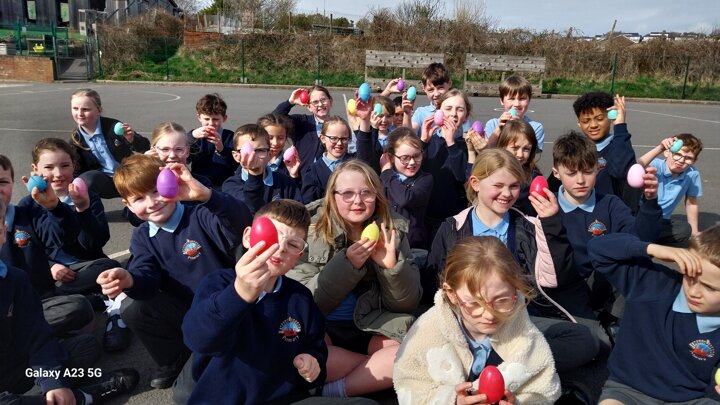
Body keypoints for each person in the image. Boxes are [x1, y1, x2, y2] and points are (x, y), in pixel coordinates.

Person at [426, 148, 599, 396]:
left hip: (519, 320)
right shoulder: (452, 229)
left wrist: (551, 224)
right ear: (475, 183)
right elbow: (436, 282)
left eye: (514, 186)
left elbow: (556, 278)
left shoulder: (529, 226)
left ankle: (490, 374)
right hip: (470, 322)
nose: (507, 194)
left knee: (586, 340)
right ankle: (509, 372)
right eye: (498, 185)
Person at [95, 155, 251, 389]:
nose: (152, 203)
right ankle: (176, 356)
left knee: (199, 390)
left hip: (227, 305)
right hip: (187, 312)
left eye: (156, 191)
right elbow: (146, 275)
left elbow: (241, 222)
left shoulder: (199, 215)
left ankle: (224, 350)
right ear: (128, 205)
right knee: (133, 308)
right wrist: (129, 279)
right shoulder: (142, 236)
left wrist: (208, 196)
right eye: (139, 198)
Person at [287, 160, 422, 398]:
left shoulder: (391, 230)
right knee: (310, 354)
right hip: (324, 325)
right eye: (347, 193)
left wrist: (391, 268)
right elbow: (307, 301)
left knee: (408, 353)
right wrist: (347, 265)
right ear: (333, 196)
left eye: (366, 193)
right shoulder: (309, 228)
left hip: (372, 324)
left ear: (377, 196)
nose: (358, 201)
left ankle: (334, 390)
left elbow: (406, 303)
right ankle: (373, 374)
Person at [179, 200, 327, 404]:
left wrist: (313, 361)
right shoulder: (217, 283)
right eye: (272, 237)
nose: (280, 248)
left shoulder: (300, 298)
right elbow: (198, 339)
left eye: (293, 244)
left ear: (299, 256)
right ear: (248, 237)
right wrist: (239, 293)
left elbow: (315, 347)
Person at [0, 197, 139, 405]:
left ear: (4, 231)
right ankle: (83, 397)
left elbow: (35, 334)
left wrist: (52, 381)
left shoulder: (15, 279)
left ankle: (43, 395)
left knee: (85, 347)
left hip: (17, 366)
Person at [394, 236, 561, 404]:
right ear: (451, 294)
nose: (489, 314)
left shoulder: (521, 330)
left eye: (502, 300)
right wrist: (453, 401)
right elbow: (409, 384)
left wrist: (517, 402)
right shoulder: (428, 330)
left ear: (514, 291)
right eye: (475, 303)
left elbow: (544, 387)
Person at [550, 131, 662, 346]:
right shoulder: (549, 210)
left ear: (597, 168)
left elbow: (642, 239)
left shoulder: (610, 204)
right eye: (571, 173)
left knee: (640, 262)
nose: (580, 180)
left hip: (606, 283)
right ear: (556, 173)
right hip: (570, 290)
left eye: (587, 171)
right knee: (597, 344)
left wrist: (650, 201)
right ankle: (597, 322)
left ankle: (614, 317)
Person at [19, 138, 130, 353]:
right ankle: (92, 299)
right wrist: (51, 266)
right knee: (32, 281)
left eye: (64, 165)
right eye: (49, 167)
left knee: (109, 268)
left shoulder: (87, 196)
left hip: (86, 267)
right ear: (35, 169)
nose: (58, 173)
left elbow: (94, 243)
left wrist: (83, 209)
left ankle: (111, 314)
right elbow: (31, 249)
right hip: (55, 275)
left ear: (74, 165)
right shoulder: (28, 205)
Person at [588, 226, 720, 404]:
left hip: (688, 400)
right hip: (627, 391)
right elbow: (598, 248)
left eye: (710, 287)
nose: (694, 291)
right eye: (689, 277)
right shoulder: (653, 284)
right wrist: (651, 248)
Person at [0, 154, 98, 364]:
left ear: (12, 184)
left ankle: (29, 348)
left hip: (38, 304)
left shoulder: (26, 215)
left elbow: (61, 238)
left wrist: (55, 208)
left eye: (2, 182)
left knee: (78, 308)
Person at [549, 92, 639, 213]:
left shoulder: (620, 145)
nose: (593, 125)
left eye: (599, 119)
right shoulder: (574, 150)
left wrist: (620, 126)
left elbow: (620, 171)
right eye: (586, 121)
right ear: (579, 122)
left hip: (612, 216)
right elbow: (552, 186)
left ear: (610, 117)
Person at [356, 123, 433, 252]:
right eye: (405, 158)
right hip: (381, 244)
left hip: (412, 246)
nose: (412, 162)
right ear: (391, 157)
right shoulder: (382, 177)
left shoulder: (425, 179)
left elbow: (405, 199)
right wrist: (365, 122)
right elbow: (364, 157)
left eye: (417, 156)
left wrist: (387, 173)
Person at [68, 88, 150, 199]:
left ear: (99, 110)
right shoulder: (75, 141)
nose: (79, 114)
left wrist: (131, 139)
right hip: (106, 182)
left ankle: (139, 200)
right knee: (85, 180)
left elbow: (145, 147)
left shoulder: (114, 127)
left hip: (129, 177)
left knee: (151, 168)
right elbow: (77, 172)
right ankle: (93, 209)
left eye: (85, 109)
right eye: (75, 108)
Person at [419, 89, 471, 240]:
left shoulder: (467, 146)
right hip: (425, 217)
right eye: (448, 109)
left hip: (453, 219)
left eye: (460, 110)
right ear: (438, 112)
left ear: (466, 116)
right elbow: (412, 170)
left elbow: (461, 177)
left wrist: (451, 143)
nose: (453, 114)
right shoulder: (429, 141)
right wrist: (423, 141)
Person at [636, 133, 703, 246]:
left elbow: (691, 202)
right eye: (677, 154)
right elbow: (636, 166)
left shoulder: (692, 174)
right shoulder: (655, 165)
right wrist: (660, 148)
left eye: (688, 158)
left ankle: (643, 238)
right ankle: (644, 238)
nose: (681, 160)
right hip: (640, 215)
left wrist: (695, 231)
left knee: (685, 229)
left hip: (661, 221)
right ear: (667, 152)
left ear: (694, 160)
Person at [222, 124, 301, 215]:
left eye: (260, 150)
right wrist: (254, 173)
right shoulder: (231, 185)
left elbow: (299, 212)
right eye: (247, 151)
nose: (254, 156)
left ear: (270, 154)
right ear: (236, 156)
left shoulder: (285, 182)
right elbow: (250, 211)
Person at [273, 86, 334, 176]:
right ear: (309, 107)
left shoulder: (338, 126)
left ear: (330, 101)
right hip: (301, 178)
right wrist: (290, 102)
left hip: (327, 179)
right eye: (315, 102)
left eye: (323, 100)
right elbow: (275, 118)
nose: (320, 104)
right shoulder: (301, 122)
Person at [483, 75, 545, 154]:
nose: (516, 104)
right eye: (511, 98)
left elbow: (532, 155)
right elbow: (488, 152)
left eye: (522, 98)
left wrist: (519, 125)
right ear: (502, 100)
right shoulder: (492, 124)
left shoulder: (536, 127)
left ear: (529, 100)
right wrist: (499, 129)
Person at [301, 117, 356, 204]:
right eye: (333, 138)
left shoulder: (356, 163)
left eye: (344, 139)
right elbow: (309, 203)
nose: (339, 143)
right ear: (323, 138)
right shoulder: (313, 172)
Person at [187, 93, 237, 187]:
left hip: (223, 184)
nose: (211, 123)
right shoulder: (196, 137)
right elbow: (185, 158)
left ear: (224, 118)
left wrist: (222, 149)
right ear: (199, 118)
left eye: (215, 119)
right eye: (206, 119)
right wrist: (192, 136)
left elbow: (236, 165)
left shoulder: (230, 137)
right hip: (199, 183)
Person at [410, 63, 453, 134]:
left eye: (440, 88)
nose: (436, 94)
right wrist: (407, 113)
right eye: (431, 90)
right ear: (424, 89)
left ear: (449, 83)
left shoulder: (456, 112)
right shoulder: (420, 113)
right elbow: (409, 133)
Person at [257, 113, 302, 181]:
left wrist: (293, 175)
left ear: (286, 137)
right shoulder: (251, 161)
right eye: (270, 137)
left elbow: (299, 187)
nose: (275, 143)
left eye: (280, 138)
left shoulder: (293, 163)